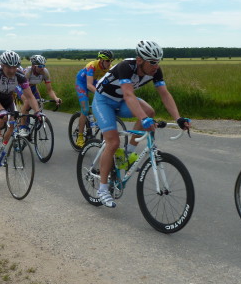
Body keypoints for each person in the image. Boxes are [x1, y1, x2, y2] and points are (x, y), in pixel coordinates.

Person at [92, 40, 191, 208]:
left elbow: (164, 94)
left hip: (121, 100)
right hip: (104, 101)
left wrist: (178, 118)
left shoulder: (155, 71)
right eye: (152, 62)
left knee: (150, 112)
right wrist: (143, 119)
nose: (156, 66)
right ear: (140, 60)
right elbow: (129, 95)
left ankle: (128, 154)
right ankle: (102, 189)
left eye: (158, 61)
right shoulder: (126, 67)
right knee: (113, 142)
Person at [0, 50, 43, 167]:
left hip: (7, 98)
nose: (12, 70)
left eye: (14, 67)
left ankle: (2, 149)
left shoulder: (20, 75)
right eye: (8, 67)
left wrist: (37, 112)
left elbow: (30, 96)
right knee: (0, 119)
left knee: (12, 123)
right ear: (2, 65)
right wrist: (1, 110)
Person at [74, 50, 115, 147]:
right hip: (82, 84)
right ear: (101, 60)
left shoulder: (110, 67)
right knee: (85, 109)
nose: (110, 63)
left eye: (111, 60)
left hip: (93, 82)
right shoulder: (92, 65)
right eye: (107, 61)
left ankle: (98, 121)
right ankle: (80, 137)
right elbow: (89, 85)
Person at [17, 55, 62, 137]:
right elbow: (27, 92)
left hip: (33, 87)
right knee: (27, 102)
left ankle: (33, 123)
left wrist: (56, 98)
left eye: (44, 65)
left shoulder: (45, 72)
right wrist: (33, 100)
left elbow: (49, 90)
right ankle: (22, 127)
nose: (42, 68)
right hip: (21, 87)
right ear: (34, 66)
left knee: (40, 103)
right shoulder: (28, 72)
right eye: (40, 66)